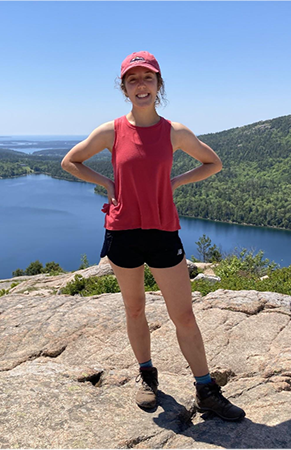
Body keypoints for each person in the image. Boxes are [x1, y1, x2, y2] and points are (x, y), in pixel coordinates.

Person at [61, 51, 245, 421]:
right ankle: (147, 376)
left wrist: (176, 180)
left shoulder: (175, 132)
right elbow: (70, 161)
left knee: (184, 315)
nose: (141, 85)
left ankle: (206, 389)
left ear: (159, 85)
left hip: (163, 231)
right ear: (125, 89)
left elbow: (214, 162)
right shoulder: (111, 131)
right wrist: (106, 182)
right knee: (135, 309)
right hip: (123, 230)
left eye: (148, 78)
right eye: (133, 80)